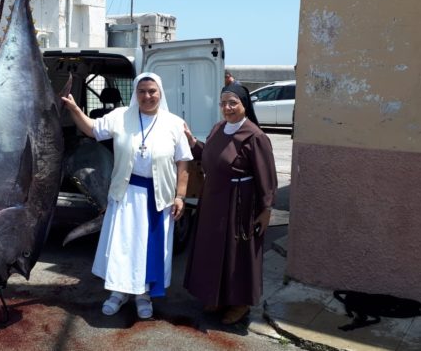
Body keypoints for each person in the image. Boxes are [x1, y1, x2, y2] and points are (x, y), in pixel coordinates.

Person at [61, 72, 192, 320]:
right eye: (142, 91)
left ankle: (143, 296)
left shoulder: (174, 123)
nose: (147, 96)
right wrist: (75, 109)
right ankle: (118, 293)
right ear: (135, 93)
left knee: (146, 250)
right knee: (123, 248)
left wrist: (180, 196)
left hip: (158, 198)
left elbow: (183, 164)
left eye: (152, 91)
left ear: (160, 92)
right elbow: (91, 129)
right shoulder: (121, 116)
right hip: (126, 195)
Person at [182, 83, 277, 324]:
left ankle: (240, 303)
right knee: (213, 250)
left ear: (245, 105)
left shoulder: (255, 136)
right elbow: (208, 156)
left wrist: (266, 209)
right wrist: (193, 142)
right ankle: (216, 296)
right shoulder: (218, 128)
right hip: (213, 200)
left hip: (240, 203)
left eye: (233, 103)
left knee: (237, 254)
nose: (227, 108)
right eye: (223, 103)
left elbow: (267, 175)